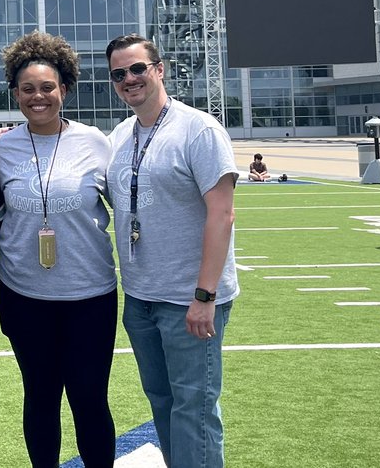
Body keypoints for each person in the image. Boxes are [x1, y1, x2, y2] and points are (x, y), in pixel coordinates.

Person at [103, 33, 238, 468]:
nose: (129, 79)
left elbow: (222, 215)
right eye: (119, 74)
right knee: (162, 402)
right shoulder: (122, 135)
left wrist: (204, 296)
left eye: (137, 68)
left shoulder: (198, 129)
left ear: (159, 69)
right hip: (140, 297)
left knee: (194, 410)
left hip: (189, 300)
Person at [0, 31, 118, 468]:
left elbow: (128, 207)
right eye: (27, 89)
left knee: (89, 400)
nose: (38, 96)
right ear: (15, 93)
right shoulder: (2, 148)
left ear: (64, 89)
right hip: (24, 297)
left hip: (89, 296)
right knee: (40, 398)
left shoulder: (95, 143)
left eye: (47, 87)